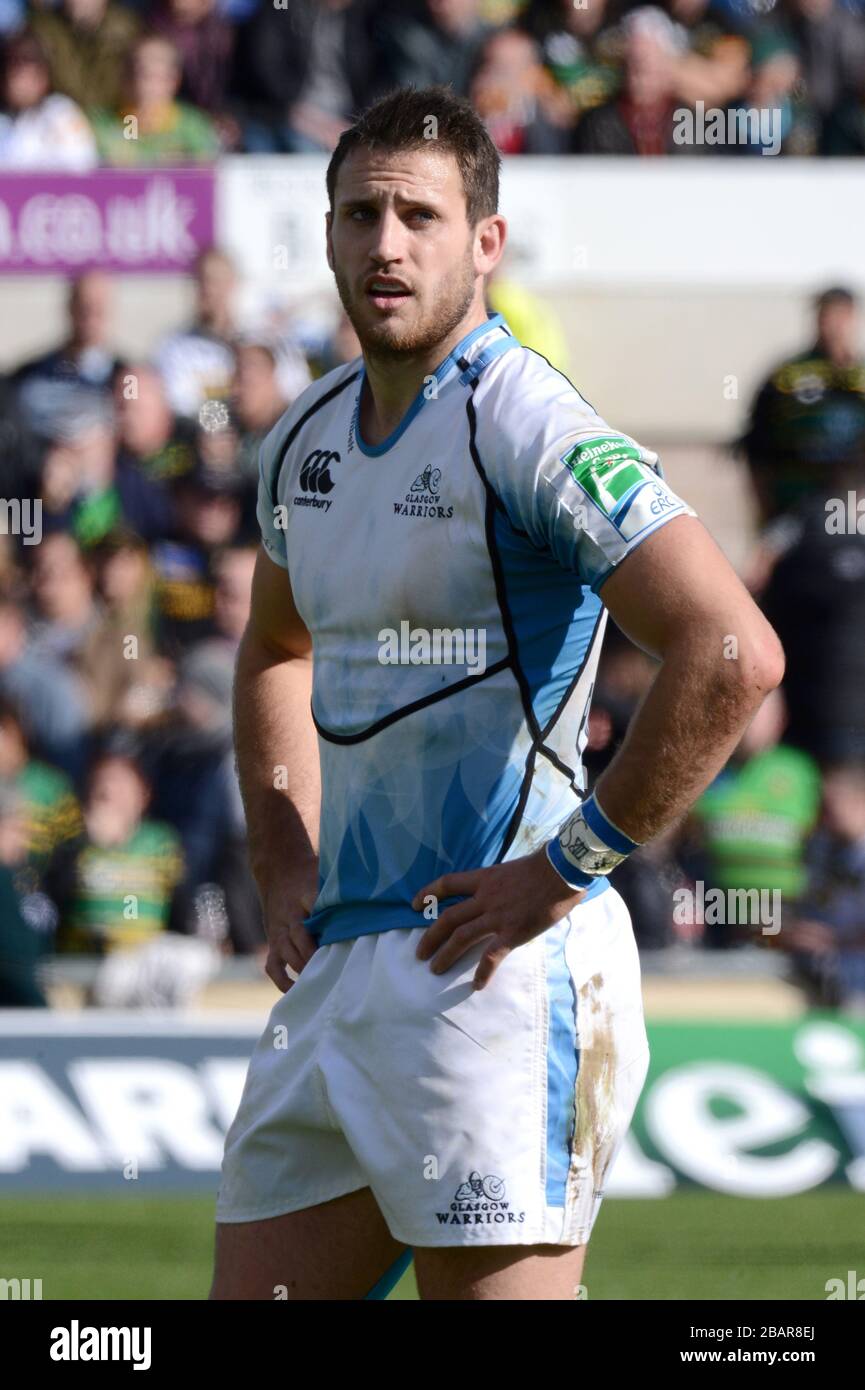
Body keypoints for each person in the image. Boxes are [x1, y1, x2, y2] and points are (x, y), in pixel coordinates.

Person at [210, 84, 784, 1302]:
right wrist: (280, 854)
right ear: (325, 235)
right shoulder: (302, 438)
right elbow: (272, 646)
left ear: (485, 244)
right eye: (359, 213)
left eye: (419, 214)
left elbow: (731, 652)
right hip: (340, 969)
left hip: (496, 965)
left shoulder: (525, 422)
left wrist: (568, 865)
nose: (385, 243)